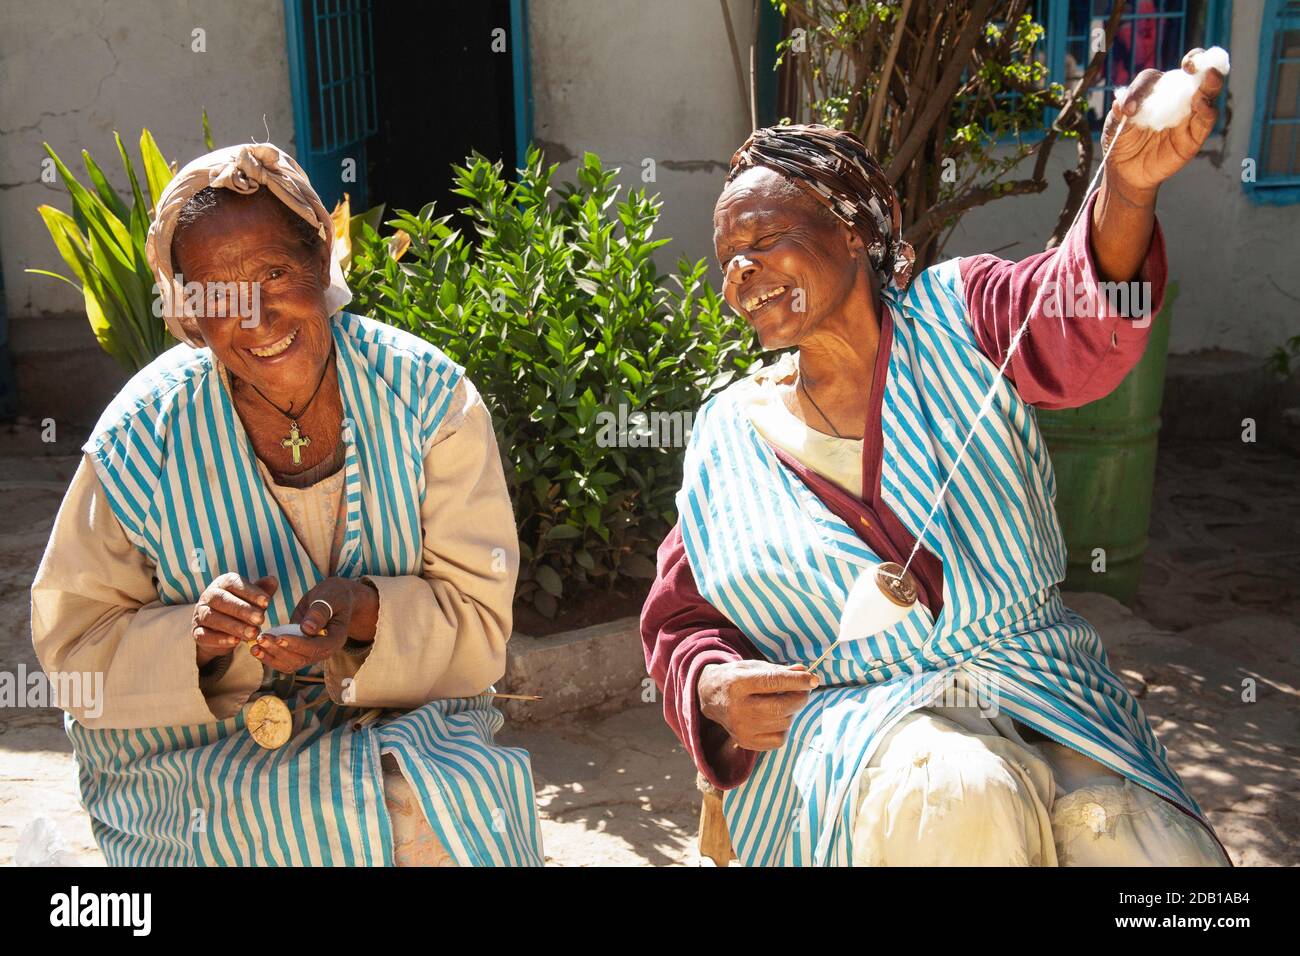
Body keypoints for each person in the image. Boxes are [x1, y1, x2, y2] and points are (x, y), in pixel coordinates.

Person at [642, 54, 1231, 866]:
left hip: (1040, 687)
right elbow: (681, 621)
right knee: (955, 794)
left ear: (850, 230)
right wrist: (711, 689)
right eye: (727, 259)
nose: (742, 272)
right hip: (860, 729)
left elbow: (1077, 321)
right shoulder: (725, 436)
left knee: (1146, 851)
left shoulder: (964, 317)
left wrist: (1126, 192)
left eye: (765, 239)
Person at [31, 143, 542, 866]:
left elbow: (480, 622)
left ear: (324, 255)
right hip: (197, 759)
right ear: (185, 309)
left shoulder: (429, 399)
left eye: (274, 273)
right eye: (215, 294)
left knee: (433, 817)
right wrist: (196, 642)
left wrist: (364, 615)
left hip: (402, 720)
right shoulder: (141, 435)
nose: (257, 317)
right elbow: (74, 650)